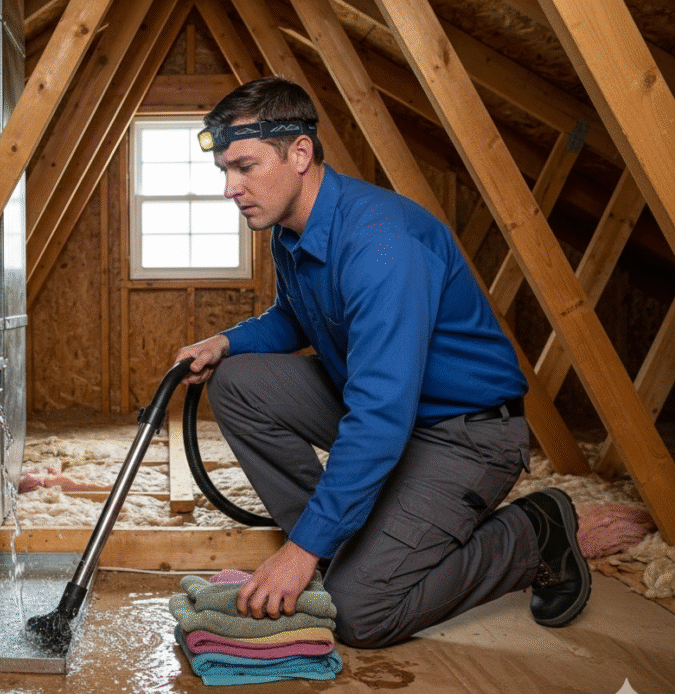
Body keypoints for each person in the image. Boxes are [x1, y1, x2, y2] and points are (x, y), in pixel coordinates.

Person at [175, 77, 591, 648]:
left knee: (360, 615)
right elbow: (296, 319)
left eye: (244, 167)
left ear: (299, 153)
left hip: (465, 436)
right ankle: (337, 549)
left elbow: (378, 419)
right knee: (240, 381)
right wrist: (224, 342)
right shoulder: (291, 229)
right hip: (392, 413)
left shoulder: (381, 244)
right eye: (225, 170)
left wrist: (298, 555)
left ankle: (532, 535)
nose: (231, 188)